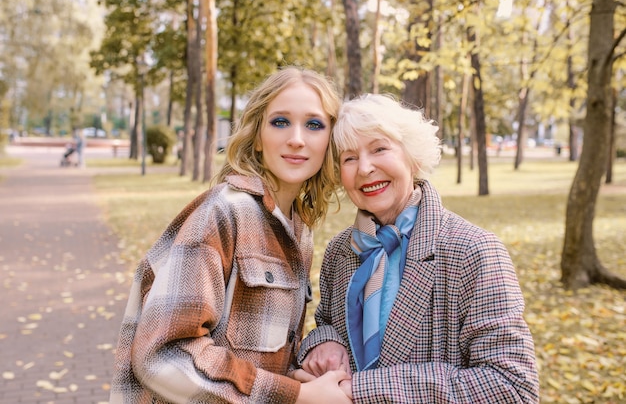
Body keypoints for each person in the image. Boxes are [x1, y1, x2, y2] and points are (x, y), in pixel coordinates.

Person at [109, 67, 351, 403]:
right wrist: (295, 395)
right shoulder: (224, 213)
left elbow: (252, 354)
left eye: (314, 124)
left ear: (330, 140)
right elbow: (162, 355)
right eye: (280, 121)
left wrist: (298, 374)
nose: (297, 138)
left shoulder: (298, 227)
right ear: (256, 133)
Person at [294, 93, 540, 403]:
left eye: (380, 148)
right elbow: (328, 323)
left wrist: (360, 390)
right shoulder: (340, 251)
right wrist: (324, 343)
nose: (365, 168)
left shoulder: (474, 250)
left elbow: (513, 386)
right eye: (349, 158)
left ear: (413, 157)